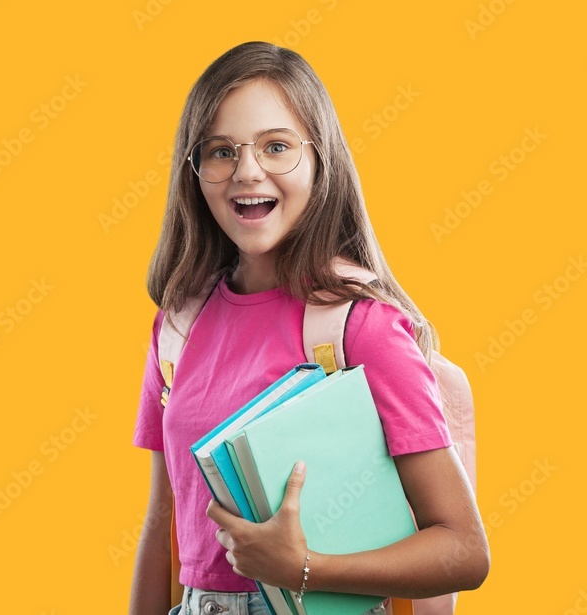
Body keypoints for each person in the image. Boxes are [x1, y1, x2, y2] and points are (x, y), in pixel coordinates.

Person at [129, 42, 489, 615]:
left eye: (277, 147)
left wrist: (303, 569)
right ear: (193, 171)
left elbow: (465, 551)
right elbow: (159, 528)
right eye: (221, 151)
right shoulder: (177, 325)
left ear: (321, 160)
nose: (247, 171)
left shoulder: (360, 328)